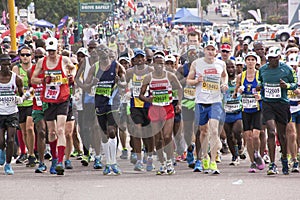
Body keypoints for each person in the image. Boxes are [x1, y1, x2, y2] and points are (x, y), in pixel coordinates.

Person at [31, 38, 76, 175]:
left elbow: (73, 68)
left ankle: (61, 162)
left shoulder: (64, 60)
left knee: (61, 130)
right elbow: (33, 79)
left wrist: (71, 77)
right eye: (49, 51)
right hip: (49, 100)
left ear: (57, 49)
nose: (51, 53)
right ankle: (55, 159)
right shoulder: (42, 62)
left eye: (53, 51)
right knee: (51, 132)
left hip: (62, 98)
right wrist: (43, 80)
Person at [186, 40, 228, 174]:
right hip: (201, 101)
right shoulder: (197, 63)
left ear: (216, 51)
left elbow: (224, 75)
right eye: (208, 49)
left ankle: (213, 161)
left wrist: (224, 84)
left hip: (215, 101)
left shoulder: (221, 63)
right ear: (204, 51)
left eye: (213, 50)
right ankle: (204, 156)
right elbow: (188, 80)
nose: (210, 52)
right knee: (203, 131)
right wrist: (196, 81)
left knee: (215, 131)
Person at [84, 46, 126, 175]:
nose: (103, 55)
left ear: (109, 54)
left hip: (113, 102)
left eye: (105, 53)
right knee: (104, 134)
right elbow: (86, 86)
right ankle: (108, 162)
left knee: (112, 131)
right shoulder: (94, 68)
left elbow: (125, 82)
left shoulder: (117, 66)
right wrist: (92, 83)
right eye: (100, 53)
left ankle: (114, 162)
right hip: (100, 102)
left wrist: (119, 82)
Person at [139, 53, 183, 175]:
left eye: (161, 64)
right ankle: (162, 163)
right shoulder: (148, 77)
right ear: (153, 64)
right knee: (158, 139)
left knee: (167, 136)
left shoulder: (170, 76)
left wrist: (178, 103)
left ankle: (169, 161)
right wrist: (148, 99)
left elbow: (179, 89)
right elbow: (140, 95)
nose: (159, 66)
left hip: (168, 107)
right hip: (155, 109)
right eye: (157, 63)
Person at [257, 47, 298, 175]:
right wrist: (260, 86)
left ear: (279, 58)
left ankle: (285, 159)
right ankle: (272, 164)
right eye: (269, 59)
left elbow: (294, 84)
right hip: (268, 103)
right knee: (270, 131)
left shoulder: (286, 69)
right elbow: (260, 81)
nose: (271, 61)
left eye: (274, 59)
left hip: (282, 104)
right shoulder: (263, 69)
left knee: (283, 135)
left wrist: (287, 86)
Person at [234, 52, 265, 173]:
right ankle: (252, 162)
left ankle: (257, 154)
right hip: (245, 109)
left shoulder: (260, 75)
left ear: (256, 62)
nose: (250, 62)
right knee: (248, 137)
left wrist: (260, 96)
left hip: (257, 108)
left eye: (253, 59)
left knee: (256, 135)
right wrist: (238, 92)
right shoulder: (241, 76)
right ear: (245, 62)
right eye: (248, 59)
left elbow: (265, 89)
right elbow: (235, 93)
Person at [125, 49, 155, 171]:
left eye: (141, 57)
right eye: (137, 58)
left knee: (149, 133)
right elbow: (123, 84)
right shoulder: (130, 72)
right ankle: (138, 159)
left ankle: (149, 157)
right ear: (133, 60)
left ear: (145, 59)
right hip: (135, 104)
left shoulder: (151, 71)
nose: (139, 60)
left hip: (148, 104)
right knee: (137, 130)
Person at [12, 46, 36, 167]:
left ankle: (32, 154)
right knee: (23, 131)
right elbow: (15, 84)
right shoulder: (16, 68)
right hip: (20, 102)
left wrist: (28, 93)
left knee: (30, 128)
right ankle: (27, 152)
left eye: (27, 55)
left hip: (32, 101)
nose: (25, 57)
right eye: (22, 55)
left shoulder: (34, 68)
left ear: (31, 55)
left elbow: (35, 85)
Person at [0, 54, 24, 175]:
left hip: (12, 112)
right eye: (4, 64)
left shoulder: (16, 78)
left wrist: (20, 98)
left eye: (8, 64)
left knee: (10, 139)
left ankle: (8, 165)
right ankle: (1, 151)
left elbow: (23, 94)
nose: (6, 67)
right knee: (0, 140)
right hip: (0, 112)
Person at [27, 47, 49, 173]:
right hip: (37, 106)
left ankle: (55, 158)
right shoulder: (31, 71)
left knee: (52, 133)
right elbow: (31, 87)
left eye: (42, 57)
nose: (39, 60)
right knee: (40, 132)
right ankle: (41, 162)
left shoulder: (51, 69)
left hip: (51, 105)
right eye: (37, 57)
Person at [223, 60, 243, 166]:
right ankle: (234, 156)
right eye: (228, 67)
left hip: (237, 110)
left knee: (236, 131)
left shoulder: (239, 79)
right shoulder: (222, 80)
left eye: (232, 67)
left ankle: (240, 144)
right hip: (226, 111)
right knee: (229, 136)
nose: (230, 69)